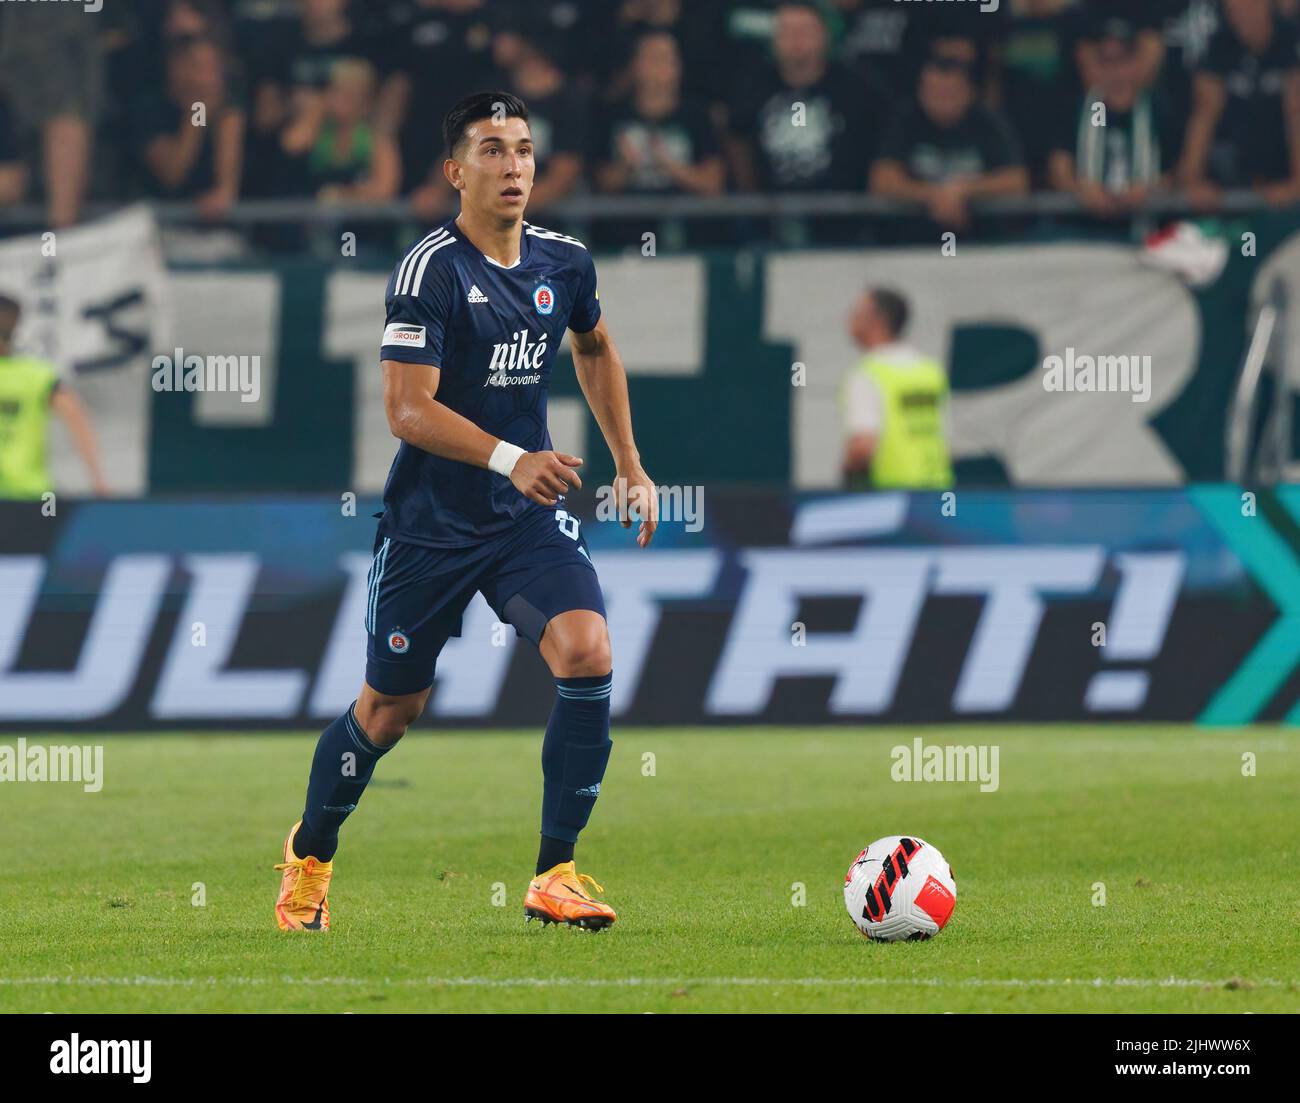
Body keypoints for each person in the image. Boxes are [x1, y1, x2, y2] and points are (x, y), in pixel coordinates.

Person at [273, 91, 658, 933]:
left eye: (523, 148)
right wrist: (514, 457)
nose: (513, 165)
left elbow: (593, 346)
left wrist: (628, 461)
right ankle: (311, 854)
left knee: (587, 652)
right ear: (455, 171)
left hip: (524, 518)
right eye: (491, 150)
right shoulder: (430, 271)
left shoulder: (565, 263)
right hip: (432, 526)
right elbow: (407, 410)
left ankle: (555, 872)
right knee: (387, 711)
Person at [871, 54, 1029, 233]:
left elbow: (1016, 180)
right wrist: (933, 195)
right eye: (934, 93)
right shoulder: (906, 119)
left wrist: (963, 191)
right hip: (915, 241)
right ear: (921, 92)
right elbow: (882, 179)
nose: (942, 102)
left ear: (969, 92)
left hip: (980, 240)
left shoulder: (988, 122)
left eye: (950, 94)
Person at [1177, 0, 1300, 209]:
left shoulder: (1290, 40)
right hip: (1233, 169)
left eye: (1248, 7)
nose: (1240, 16)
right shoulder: (1219, 44)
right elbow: (1204, 115)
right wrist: (1192, 181)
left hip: (1283, 166)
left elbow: (1296, 112)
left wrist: (1297, 183)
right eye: (1232, 10)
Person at [1049, 20, 1175, 216]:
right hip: (1085, 226)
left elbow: (1176, 173)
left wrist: (1148, 190)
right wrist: (1082, 190)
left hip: (1146, 223)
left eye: (1121, 61)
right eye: (1106, 62)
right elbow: (1059, 169)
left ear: (1136, 63)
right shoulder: (1076, 108)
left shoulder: (1158, 109)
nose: (1114, 72)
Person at [840, 288, 952, 490]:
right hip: (938, 490)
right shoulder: (930, 371)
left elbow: (863, 447)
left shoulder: (867, 375)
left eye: (856, 313)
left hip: (892, 494)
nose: (850, 320)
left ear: (876, 321)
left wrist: (848, 477)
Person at [0, 295, 108, 500]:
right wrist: (98, 481)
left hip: (26, 497)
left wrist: (98, 481)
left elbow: (76, 417)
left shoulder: (37, 376)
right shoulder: (36, 375)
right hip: (30, 497)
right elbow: (77, 418)